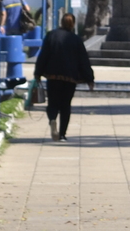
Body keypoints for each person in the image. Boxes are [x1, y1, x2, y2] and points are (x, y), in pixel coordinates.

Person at [33, 12, 94, 141]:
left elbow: (43, 55)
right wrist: (89, 79)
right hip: (70, 78)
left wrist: (38, 73)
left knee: (53, 103)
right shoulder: (76, 40)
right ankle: (62, 134)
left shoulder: (51, 36)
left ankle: (52, 119)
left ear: (61, 22)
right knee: (66, 105)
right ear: (73, 24)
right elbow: (83, 60)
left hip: (53, 76)